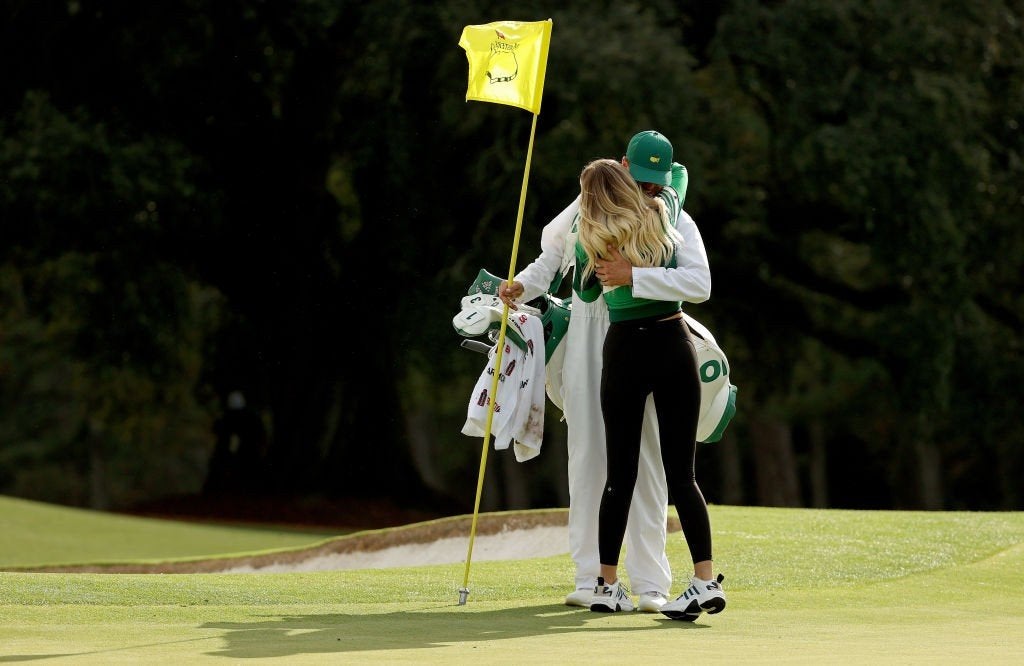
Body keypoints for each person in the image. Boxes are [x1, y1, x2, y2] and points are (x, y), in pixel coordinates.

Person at [499, 131, 712, 613]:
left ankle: (652, 582)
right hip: (586, 333)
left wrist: (633, 276)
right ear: (620, 166)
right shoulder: (583, 206)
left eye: (655, 184)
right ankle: (591, 575)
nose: (648, 192)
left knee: (652, 456)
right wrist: (521, 288)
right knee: (589, 452)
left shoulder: (670, 216)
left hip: (642, 329)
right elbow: (549, 261)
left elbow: (695, 280)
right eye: (640, 181)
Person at [573, 158, 725, 620]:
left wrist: (619, 269)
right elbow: (675, 192)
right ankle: (703, 580)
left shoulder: (589, 234)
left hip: (623, 350)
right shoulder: (662, 214)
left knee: (619, 477)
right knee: (683, 475)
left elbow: (584, 295)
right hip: (672, 342)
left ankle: (605, 584)